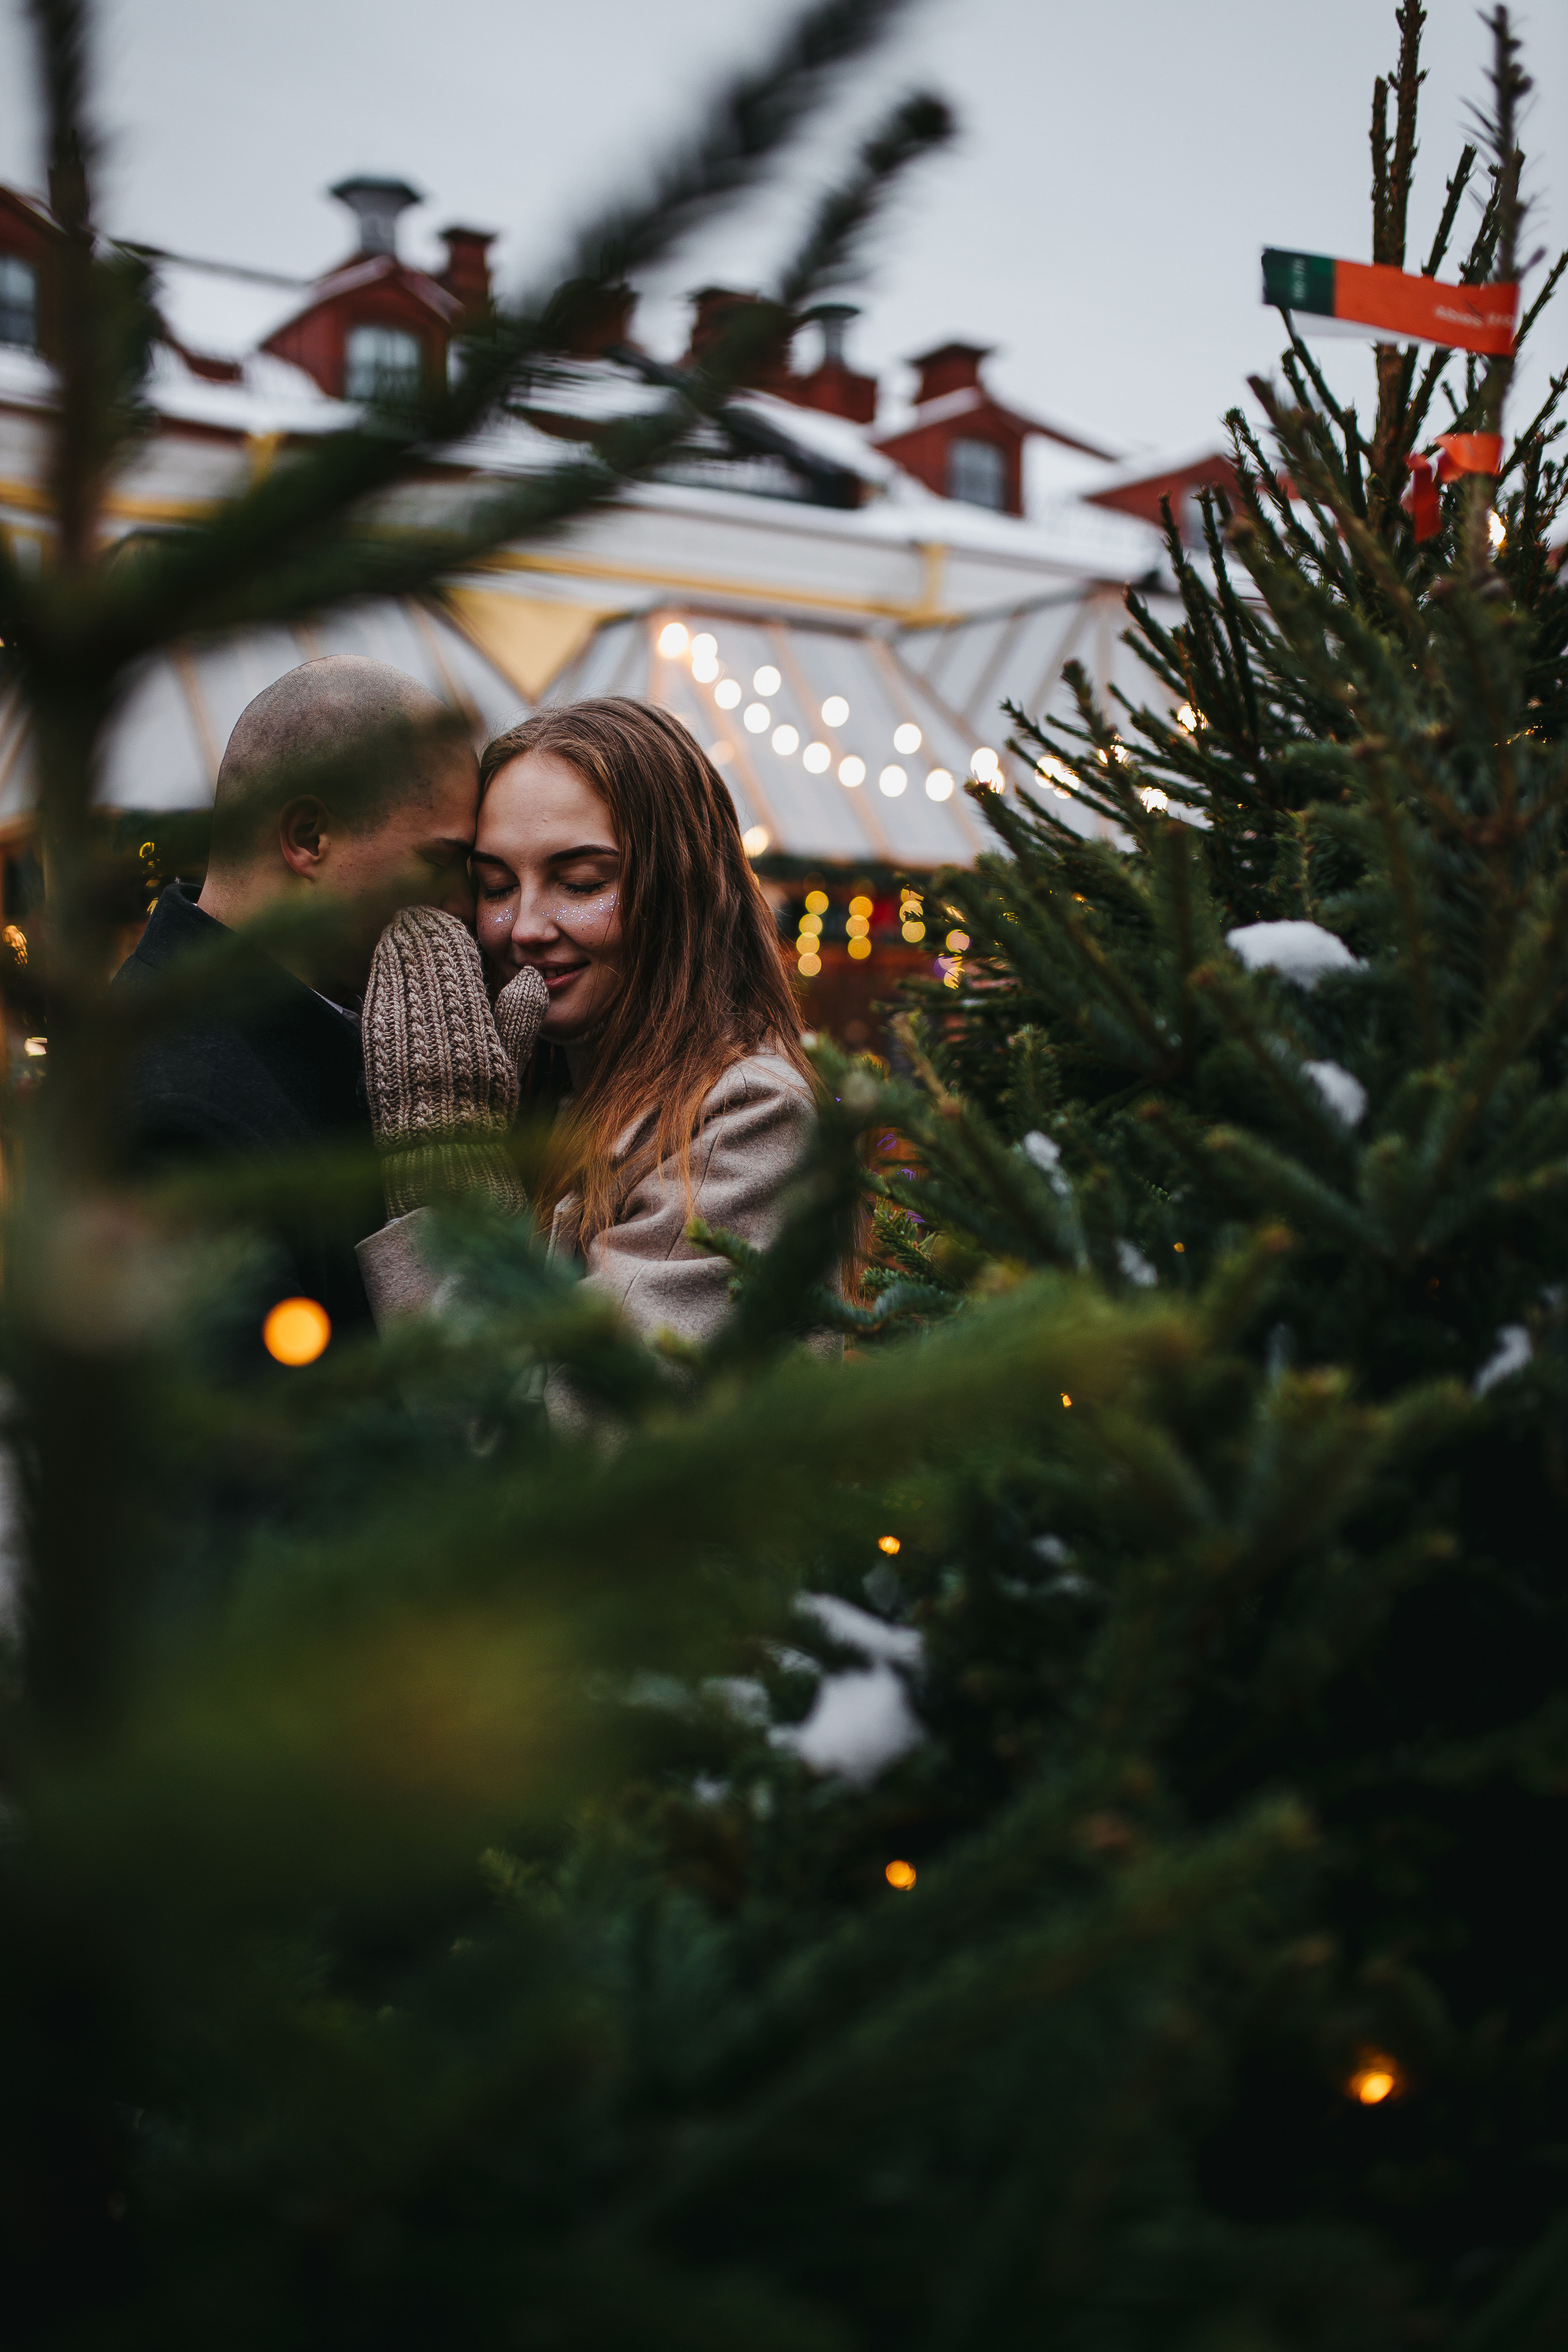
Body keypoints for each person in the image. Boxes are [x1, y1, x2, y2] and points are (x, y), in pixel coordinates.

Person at [356, 696, 820, 1351]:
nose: (524, 928)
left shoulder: (748, 1119)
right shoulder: (542, 1094)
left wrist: (447, 1174)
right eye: (495, 887)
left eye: (578, 882)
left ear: (681, 891)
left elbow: (549, 1430)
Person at [115, 655, 482, 1340]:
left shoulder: (309, 1030)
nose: (462, 905)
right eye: (438, 862)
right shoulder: (172, 1110)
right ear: (308, 838)